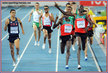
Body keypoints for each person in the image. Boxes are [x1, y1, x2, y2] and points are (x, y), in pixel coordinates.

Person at [55, 3, 95, 69]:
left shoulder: (85, 16)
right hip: (77, 33)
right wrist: (58, 7)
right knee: (79, 46)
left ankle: (83, 47)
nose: (81, 10)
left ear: (83, 10)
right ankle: (79, 64)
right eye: (80, 9)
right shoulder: (75, 15)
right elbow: (65, 12)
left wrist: (87, 28)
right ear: (78, 10)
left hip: (84, 33)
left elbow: (91, 24)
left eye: (82, 9)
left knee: (83, 47)